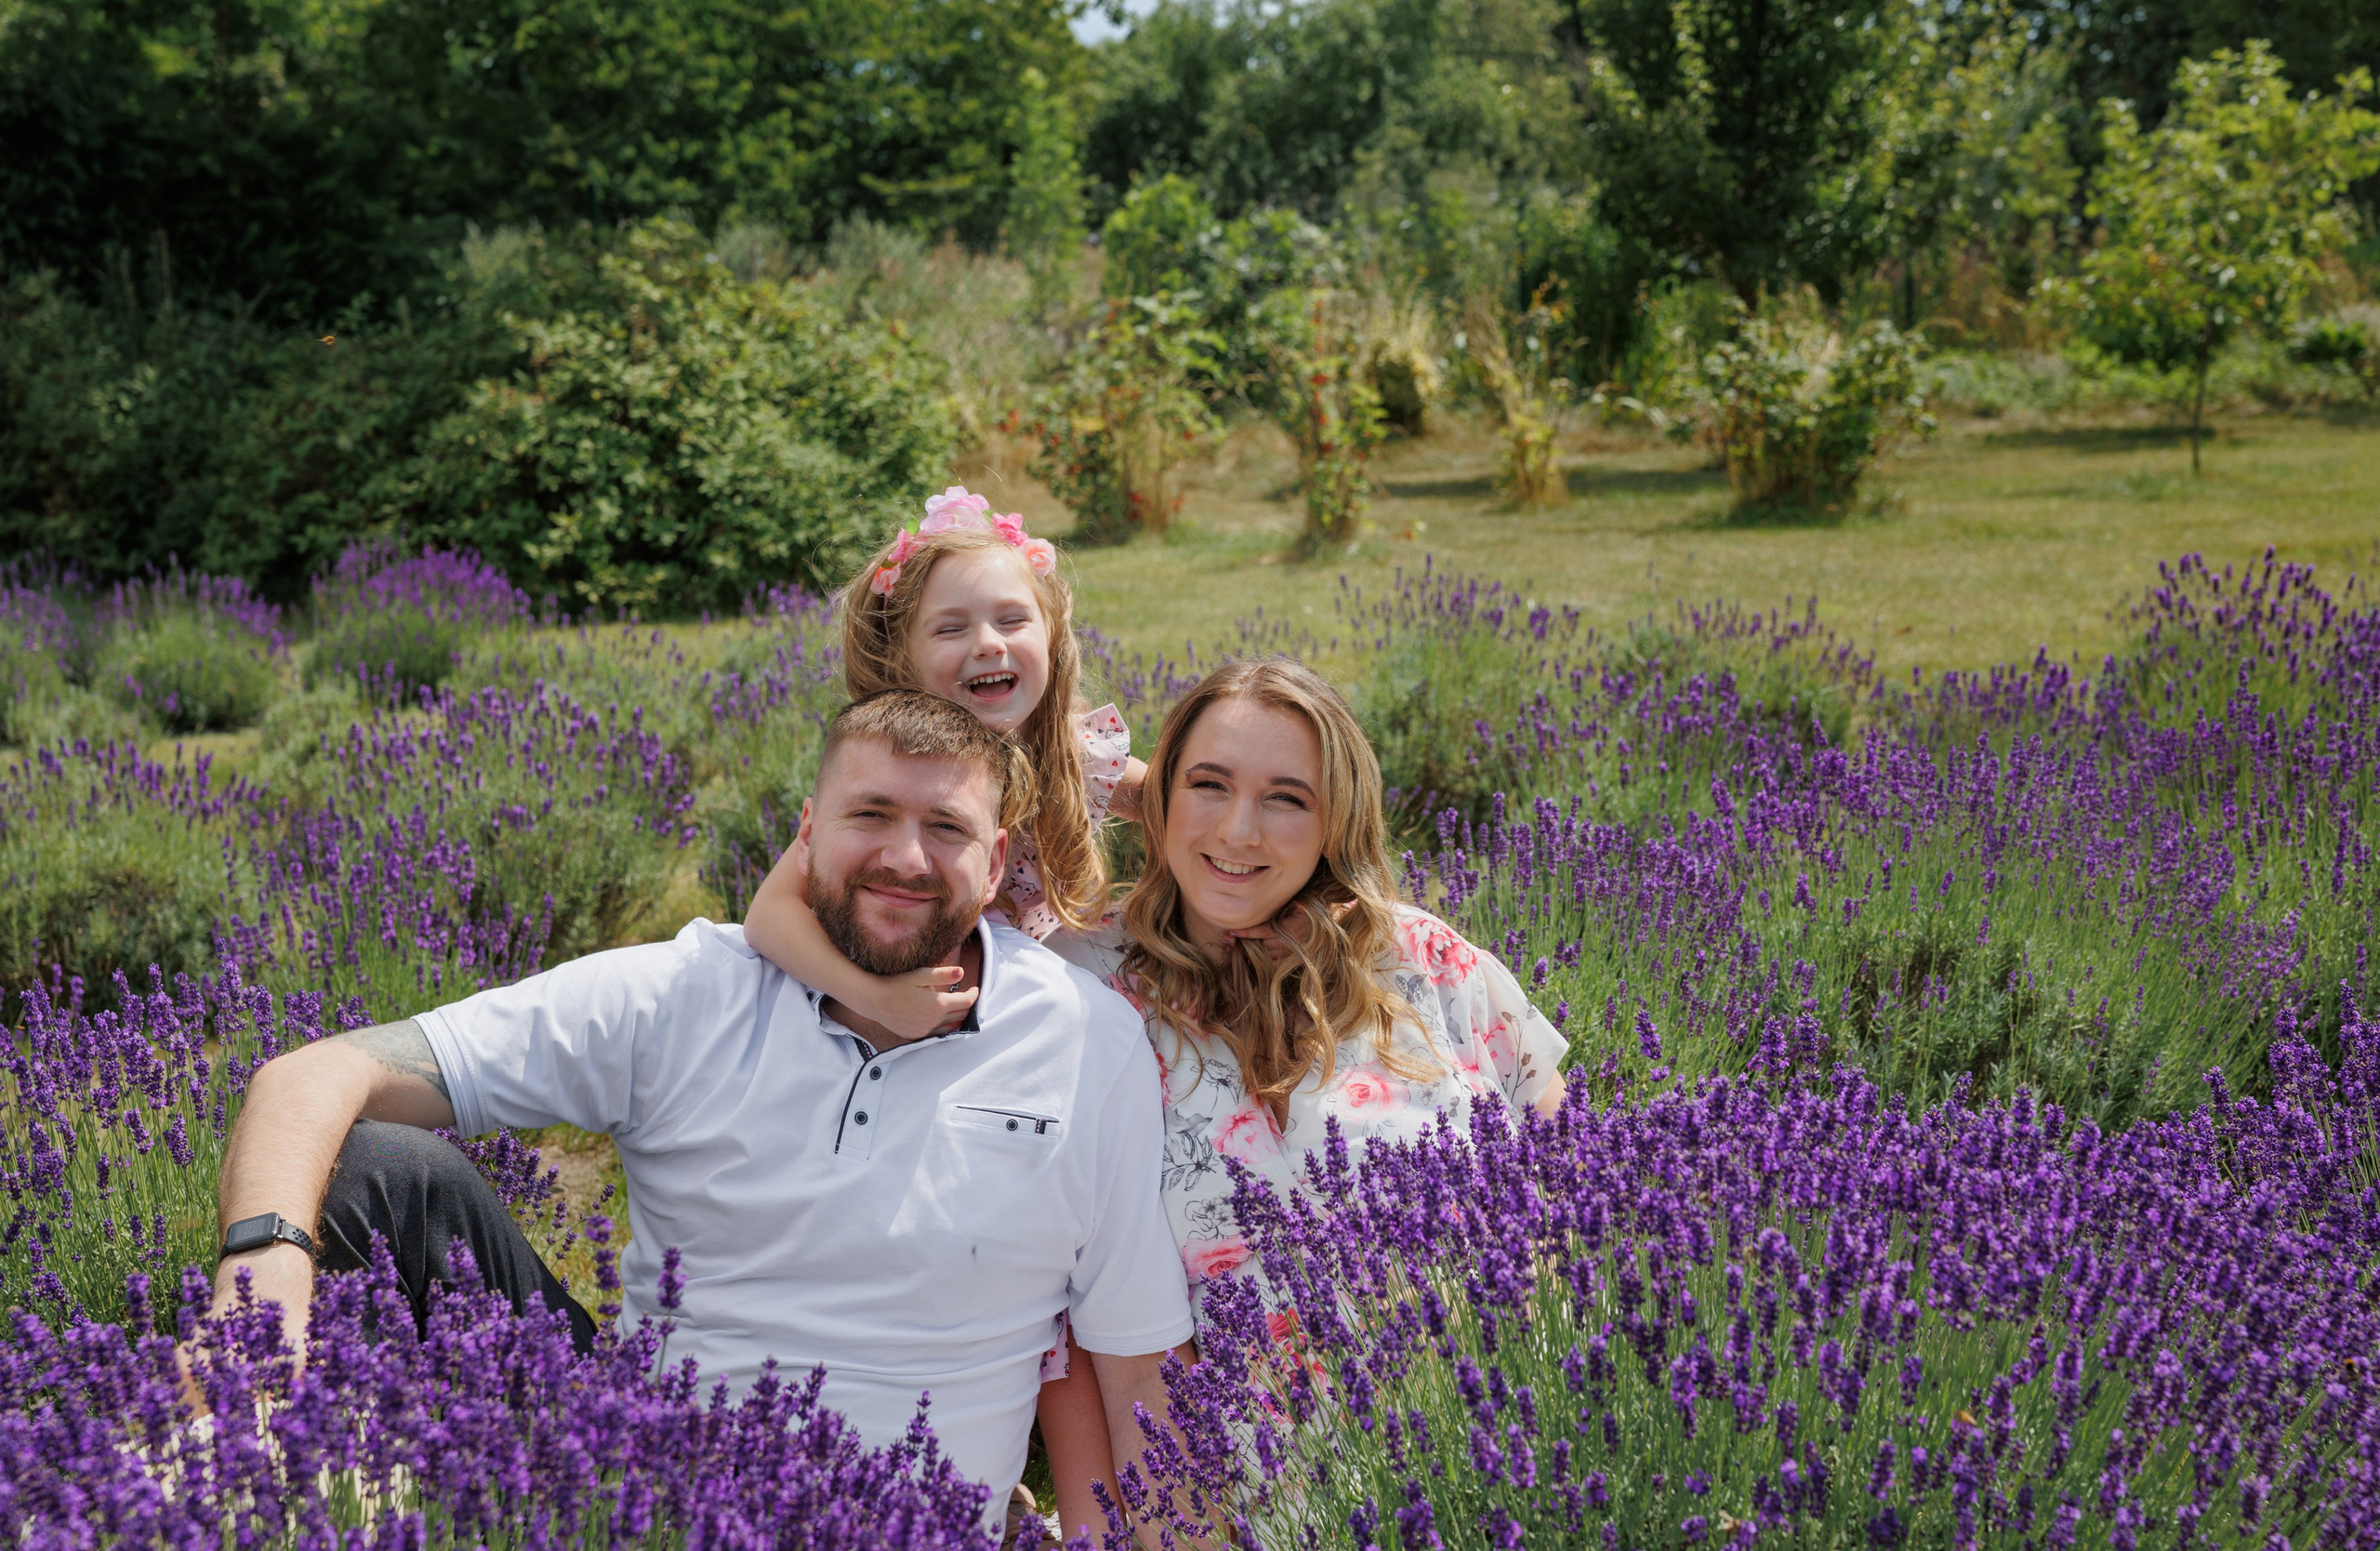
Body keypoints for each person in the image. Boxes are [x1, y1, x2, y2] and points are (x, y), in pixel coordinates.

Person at [205, 689, 1196, 1542]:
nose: (904, 855)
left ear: (995, 863)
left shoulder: (1084, 1044)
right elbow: (311, 1076)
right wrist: (260, 1298)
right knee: (383, 1171)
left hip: (903, 1518)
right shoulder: (689, 991)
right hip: (638, 1485)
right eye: (870, 814)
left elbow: (1136, 1364)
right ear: (808, 830)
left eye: (946, 828)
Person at [740, 486, 1145, 1540]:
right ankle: (1006, 1484)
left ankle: (1085, 1492)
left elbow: (1191, 800)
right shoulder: (903, 768)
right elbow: (769, 915)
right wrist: (874, 992)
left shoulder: (1083, 760)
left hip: (1056, 1027)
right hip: (930, 1032)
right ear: (903, 656)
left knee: (1093, 1278)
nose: (988, 645)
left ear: (1051, 632)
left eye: (1011, 619)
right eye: (951, 627)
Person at [1048, 656, 1570, 1333]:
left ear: (1337, 821)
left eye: (1288, 798)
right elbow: (958, 750)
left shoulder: (1419, 956)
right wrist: (1127, 790)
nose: (1239, 831)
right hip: (1269, 1436)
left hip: (1529, 1402)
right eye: (1208, 783)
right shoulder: (1083, 981)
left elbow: (1580, 1169)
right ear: (1159, 791)